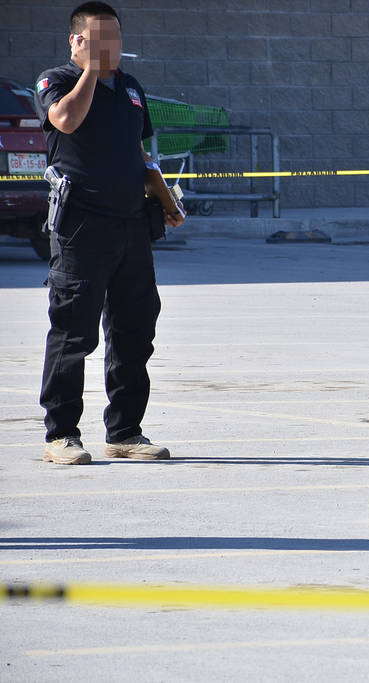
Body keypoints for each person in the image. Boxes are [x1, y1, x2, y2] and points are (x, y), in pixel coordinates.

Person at [34, 2, 184, 465]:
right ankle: (61, 435)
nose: (110, 47)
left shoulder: (131, 88)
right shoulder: (57, 81)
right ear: (77, 41)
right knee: (73, 333)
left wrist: (164, 199)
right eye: (100, 39)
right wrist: (91, 73)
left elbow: (138, 153)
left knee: (134, 331)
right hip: (82, 227)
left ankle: (124, 432)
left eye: (115, 37)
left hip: (131, 225)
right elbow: (65, 120)